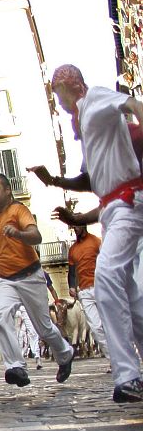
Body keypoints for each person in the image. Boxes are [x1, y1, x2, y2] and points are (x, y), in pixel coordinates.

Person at [48, 64, 143, 402]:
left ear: (68, 85)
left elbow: (130, 105)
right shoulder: (87, 123)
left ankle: (128, 375)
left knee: (106, 278)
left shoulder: (96, 99)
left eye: (57, 93)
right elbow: (90, 179)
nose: (57, 102)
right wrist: (56, 182)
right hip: (113, 207)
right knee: (131, 296)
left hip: (128, 203)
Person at [0, 173, 74, 388]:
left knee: (43, 328)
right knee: (2, 316)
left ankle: (65, 354)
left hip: (31, 276)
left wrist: (18, 234)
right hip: (6, 279)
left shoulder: (19, 210)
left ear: (7, 191)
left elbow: (36, 236)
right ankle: (16, 366)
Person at [67, 225, 110, 359]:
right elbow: (72, 272)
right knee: (96, 328)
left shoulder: (96, 242)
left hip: (100, 286)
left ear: (84, 225)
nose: (75, 229)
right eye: (73, 227)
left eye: (77, 226)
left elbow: (107, 262)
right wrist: (72, 286)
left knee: (109, 324)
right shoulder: (73, 249)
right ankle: (112, 358)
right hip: (84, 291)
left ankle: (117, 359)